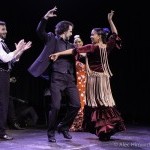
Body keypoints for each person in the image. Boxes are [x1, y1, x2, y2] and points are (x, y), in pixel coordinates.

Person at [50, 10, 126, 141]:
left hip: (103, 80)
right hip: (93, 80)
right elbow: (74, 50)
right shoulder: (91, 47)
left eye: (93, 34)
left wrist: (110, 21)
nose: (91, 36)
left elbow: (115, 34)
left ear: (99, 36)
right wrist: (59, 54)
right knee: (97, 104)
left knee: (106, 103)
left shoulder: (106, 46)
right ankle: (102, 130)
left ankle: (107, 129)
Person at [28, 6, 80, 143]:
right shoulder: (52, 38)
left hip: (69, 78)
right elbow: (40, 31)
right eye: (70, 30)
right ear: (64, 30)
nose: (71, 32)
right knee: (56, 106)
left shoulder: (71, 45)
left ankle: (63, 126)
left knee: (76, 105)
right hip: (56, 77)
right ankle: (51, 133)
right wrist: (45, 18)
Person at [0, 20, 32, 140]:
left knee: (4, 103)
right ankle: (1, 132)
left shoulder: (3, 44)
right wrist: (17, 49)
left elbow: (12, 60)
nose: (6, 31)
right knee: (3, 104)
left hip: (4, 75)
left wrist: (21, 51)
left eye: (5, 28)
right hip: (1, 75)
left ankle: (1, 130)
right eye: (3, 29)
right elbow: (5, 58)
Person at [70, 35, 86, 132]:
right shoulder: (73, 54)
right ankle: (77, 124)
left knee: (86, 102)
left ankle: (85, 124)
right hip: (77, 81)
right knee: (80, 103)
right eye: (75, 42)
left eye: (79, 41)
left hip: (86, 80)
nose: (77, 43)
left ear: (82, 43)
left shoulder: (86, 53)